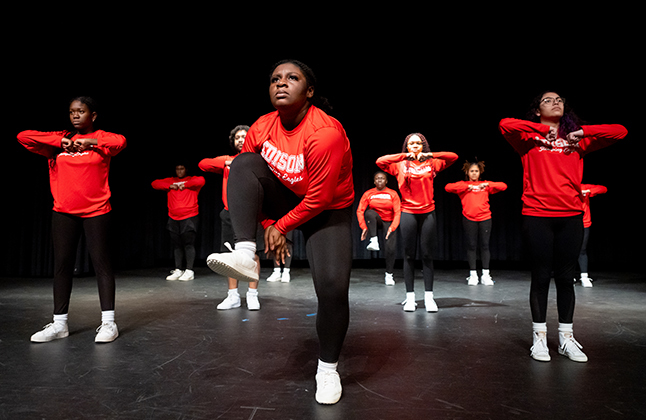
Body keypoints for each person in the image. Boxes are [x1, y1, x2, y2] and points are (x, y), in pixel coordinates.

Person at [205, 59, 354, 405]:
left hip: (327, 209)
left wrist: (283, 225)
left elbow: (319, 198)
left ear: (310, 91)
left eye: (292, 78)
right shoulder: (262, 126)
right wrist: (271, 225)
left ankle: (328, 369)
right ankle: (245, 253)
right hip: (287, 197)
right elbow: (249, 183)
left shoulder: (325, 132)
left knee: (333, 289)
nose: (281, 84)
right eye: (275, 79)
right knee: (243, 163)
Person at [499, 91, 627, 363]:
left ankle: (566, 339)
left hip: (571, 215)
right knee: (541, 276)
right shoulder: (527, 139)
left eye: (559, 99)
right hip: (537, 214)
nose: (556, 102)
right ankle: (540, 338)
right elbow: (505, 124)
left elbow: (620, 131)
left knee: (566, 278)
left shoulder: (577, 141)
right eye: (547, 100)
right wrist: (542, 130)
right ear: (537, 111)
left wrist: (581, 132)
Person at [17, 96, 126, 343]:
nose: (75, 115)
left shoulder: (101, 140)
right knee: (62, 265)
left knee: (102, 265)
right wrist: (60, 141)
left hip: (97, 210)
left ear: (93, 115)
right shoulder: (59, 141)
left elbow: (121, 142)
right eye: (71, 112)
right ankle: (59, 324)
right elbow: (23, 136)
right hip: (64, 211)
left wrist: (90, 141)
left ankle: (109, 323)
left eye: (81, 111)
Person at [376, 134, 458, 312]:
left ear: (423, 146)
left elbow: (453, 157)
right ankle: (410, 297)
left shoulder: (432, 163)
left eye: (418, 143)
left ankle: (429, 297)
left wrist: (430, 155)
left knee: (427, 255)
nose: (414, 146)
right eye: (411, 143)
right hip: (408, 213)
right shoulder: (400, 165)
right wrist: (404, 156)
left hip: (427, 212)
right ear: (407, 146)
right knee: (408, 256)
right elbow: (380, 161)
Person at [199, 125, 263, 310]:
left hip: (253, 213)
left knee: (253, 256)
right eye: (237, 138)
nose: (241, 140)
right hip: (230, 213)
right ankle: (233, 295)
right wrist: (227, 163)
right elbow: (203, 164)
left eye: (244, 136)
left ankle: (252, 295)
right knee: (230, 256)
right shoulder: (228, 160)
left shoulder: (257, 160)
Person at [445, 160, 507, 285]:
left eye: (476, 171)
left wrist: (488, 184)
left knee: (484, 246)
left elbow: (503, 186)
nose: (474, 174)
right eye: (472, 171)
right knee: (471, 246)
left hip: (485, 218)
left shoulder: (485, 185)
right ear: (467, 172)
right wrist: (466, 187)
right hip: (469, 219)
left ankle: (485, 275)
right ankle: (473, 275)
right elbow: (448, 187)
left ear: (480, 173)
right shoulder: (463, 185)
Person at [151, 164, 205, 281]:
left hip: (189, 217)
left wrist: (184, 185)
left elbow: (201, 180)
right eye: (177, 169)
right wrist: (170, 185)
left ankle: (189, 270)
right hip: (173, 217)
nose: (179, 171)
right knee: (177, 245)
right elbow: (154, 183)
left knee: (188, 244)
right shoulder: (171, 181)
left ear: (186, 169)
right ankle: (178, 269)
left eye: (182, 168)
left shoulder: (191, 180)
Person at [356, 171, 401, 285]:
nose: (379, 180)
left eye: (382, 178)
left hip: (389, 222)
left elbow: (397, 212)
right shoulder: (369, 193)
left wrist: (393, 227)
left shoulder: (392, 193)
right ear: (374, 181)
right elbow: (360, 210)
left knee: (390, 249)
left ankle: (389, 275)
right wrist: (363, 227)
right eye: (377, 178)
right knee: (370, 213)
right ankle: (374, 240)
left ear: (386, 181)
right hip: (376, 221)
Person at [578, 183, 608, 287]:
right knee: (568, 251)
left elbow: (603, 188)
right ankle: (568, 277)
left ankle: (584, 277)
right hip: (570, 222)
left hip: (584, 223)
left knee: (582, 249)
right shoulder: (566, 188)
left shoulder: (583, 187)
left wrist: (588, 192)